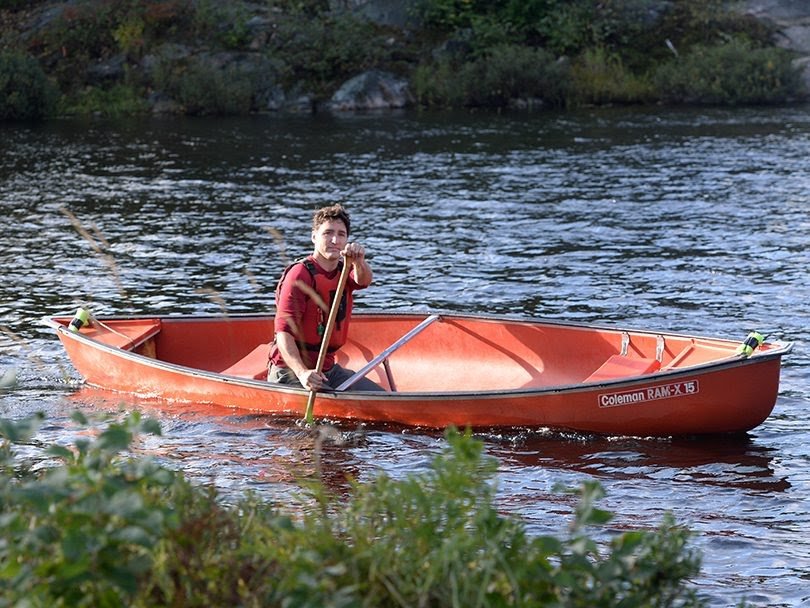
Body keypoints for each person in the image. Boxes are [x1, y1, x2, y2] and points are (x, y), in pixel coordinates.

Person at [268, 204, 385, 392]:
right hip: (290, 372)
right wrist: (302, 373)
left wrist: (359, 260)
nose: (334, 240)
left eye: (341, 234)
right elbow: (283, 334)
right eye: (327, 233)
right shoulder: (300, 275)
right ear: (314, 237)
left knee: (380, 397)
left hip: (327, 369)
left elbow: (364, 281)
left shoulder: (345, 268)